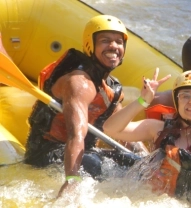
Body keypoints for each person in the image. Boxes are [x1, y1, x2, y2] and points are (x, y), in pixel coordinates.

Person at [23, 15, 148, 197]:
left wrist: (146, 160)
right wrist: (72, 180)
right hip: (46, 153)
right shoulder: (79, 83)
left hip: (85, 151)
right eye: (105, 41)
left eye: (119, 42)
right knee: (102, 167)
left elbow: (122, 131)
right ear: (90, 44)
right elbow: (76, 135)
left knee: (137, 166)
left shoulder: (111, 88)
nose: (114, 46)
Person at [103, 69, 191, 205]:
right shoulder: (158, 129)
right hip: (150, 201)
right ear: (176, 101)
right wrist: (143, 100)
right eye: (185, 95)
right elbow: (110, 129)